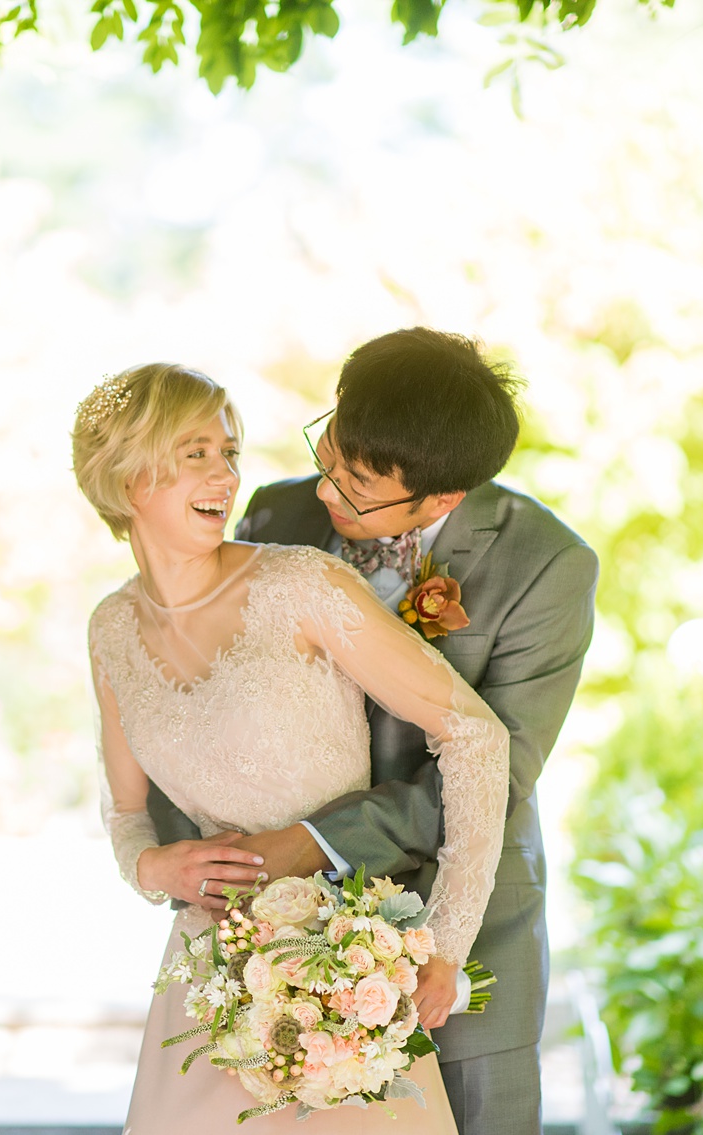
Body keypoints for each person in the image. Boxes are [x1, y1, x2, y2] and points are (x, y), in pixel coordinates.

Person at [147, 328, 600, 1135]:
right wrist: (204, 861)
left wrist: (313, 840)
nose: (326, 491)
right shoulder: (274, 513)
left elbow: (502, 767)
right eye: (330, 453)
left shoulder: (545, 564)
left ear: (441, 500)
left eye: (356, 485)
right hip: (275, 935)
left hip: (458, 920)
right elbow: (199, 691)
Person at [75, 361, 512, 1133]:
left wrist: (445, 943)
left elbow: (474, 732)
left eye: (230, 450)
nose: (226, 473)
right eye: (195, 452)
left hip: (346, 981)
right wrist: (149, 865)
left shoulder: (301, 585)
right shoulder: (109, 627)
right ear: (126, 475)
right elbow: (125, 808)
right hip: (206, 988)